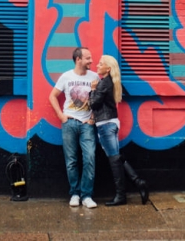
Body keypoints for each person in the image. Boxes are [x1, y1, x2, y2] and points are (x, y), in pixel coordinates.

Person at [89, 55, 149, 206]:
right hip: (111, 122)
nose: (97, 65)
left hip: (105, 124)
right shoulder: (111, 82)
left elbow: (94, 104)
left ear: (107, 69)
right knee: (117, 157)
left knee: (113, 160)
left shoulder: (103, 84)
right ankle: (138, 181)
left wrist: (92, 90)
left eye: (100, 64)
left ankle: (121, 196)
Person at [48, 47, 99, 208]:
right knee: (71, 161)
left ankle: (87, 195)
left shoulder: (95, 77)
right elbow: (52, 96)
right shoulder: (66, 77)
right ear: (78, 60)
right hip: (69, 123)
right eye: (88, 58)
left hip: (87, 125)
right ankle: (75, 194)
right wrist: (61, 116)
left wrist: (93, 117)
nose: (91, 61)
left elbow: (99, 99)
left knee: (89, 158)